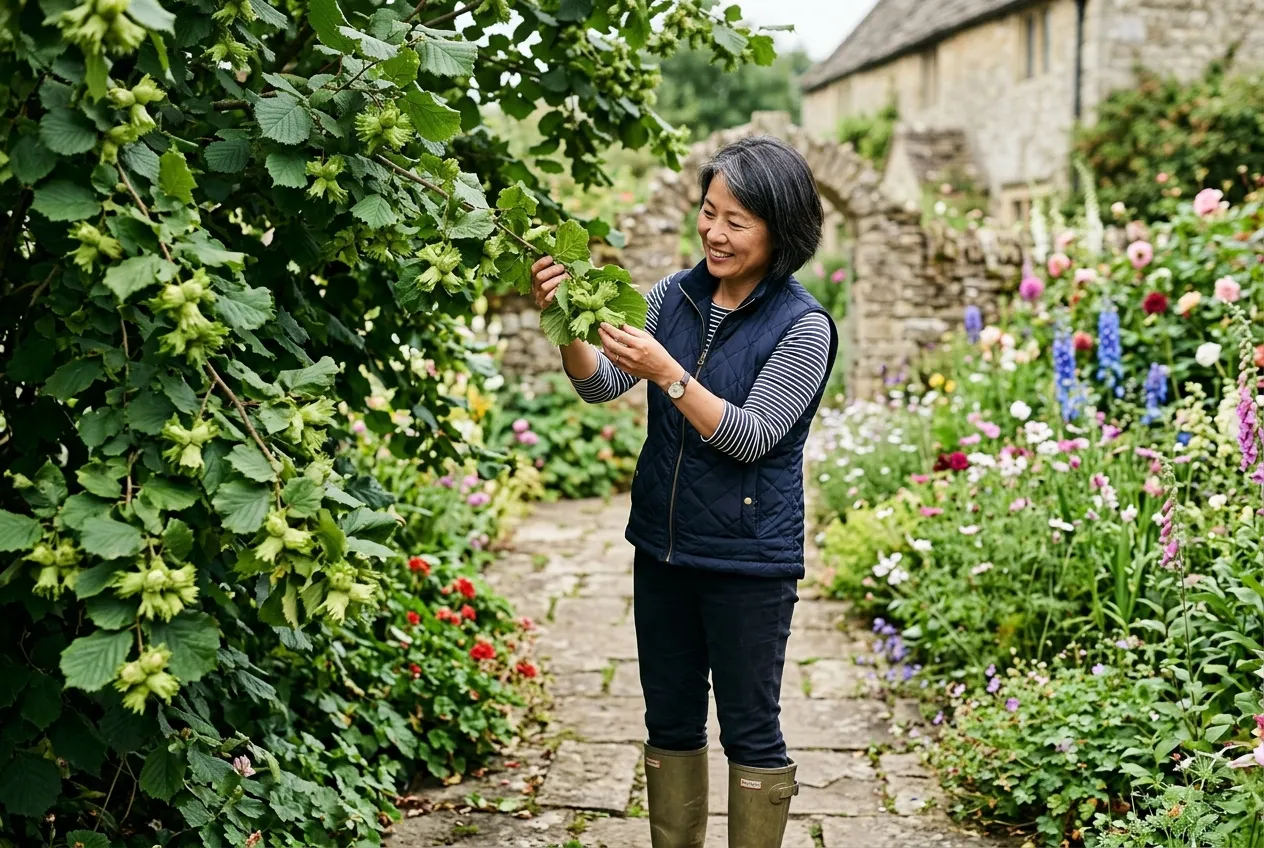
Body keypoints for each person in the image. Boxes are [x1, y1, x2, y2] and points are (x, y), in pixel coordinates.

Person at [529, 135, 837, 848]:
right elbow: (601, 382)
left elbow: (752, 436)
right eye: (709, 211)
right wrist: (568, 323)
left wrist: (670, 372)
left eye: (737, 220)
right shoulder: (673, 294)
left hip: (748, 563)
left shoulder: (803, 325)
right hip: (663, 551)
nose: (714, 232)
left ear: (779, 229)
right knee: (668, 723)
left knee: (750, 728)